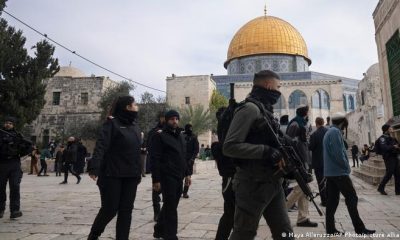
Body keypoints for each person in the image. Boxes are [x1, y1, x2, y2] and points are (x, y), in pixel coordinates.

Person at [223, 70, 293, 240]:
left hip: (272, 182)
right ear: (268, 85)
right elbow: (230, 146)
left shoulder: (264, 111)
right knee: (244, 233)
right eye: (277, 87)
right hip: (251, 184)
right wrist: (266, 151)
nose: (278, 91)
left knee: (284, 231)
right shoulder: (249, 109)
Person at [87, 96, 142, 240]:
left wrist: (139, 172)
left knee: (126, 210)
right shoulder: (112, 123)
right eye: (134, 104)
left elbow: (136, 150)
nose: (137, 106)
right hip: (112, 173)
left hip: (131, 175)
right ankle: (94, 234)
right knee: (110, 209)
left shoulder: (135, 126)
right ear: (127, 107)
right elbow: (101, 145)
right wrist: (94, 166)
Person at [323, 113, 375, 235]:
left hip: (331, 173)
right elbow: (338, 154)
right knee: (352, 198)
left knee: (332, 202)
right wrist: (346, 167)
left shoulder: (328, 132)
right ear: (342, 123)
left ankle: (330, 229)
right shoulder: (335, 132)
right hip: (339, 172)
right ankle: (359, 228)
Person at [152, 110, 191, 240]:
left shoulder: (180, 136)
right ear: (166, 120)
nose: (175, 121)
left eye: (176, 119)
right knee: (171, 208)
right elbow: (155, 158)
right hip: (167, 175)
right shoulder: (160, 136)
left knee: (172, 204)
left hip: (179, 175)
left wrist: (187, 174)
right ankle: (171, 235)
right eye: (172, 119)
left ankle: (159, 229)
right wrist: (156, 179)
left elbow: (183, 156)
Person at [285, 105, 318, 228]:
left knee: (304, 189)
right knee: (301, 187)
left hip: (304, 160)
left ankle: (303, 218)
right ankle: (282, 210)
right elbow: (289, 142)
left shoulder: (302, 123)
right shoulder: (295, 124)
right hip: (298, 160)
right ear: (305, 113)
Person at [0, 116, 31, 219]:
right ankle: (0, 209)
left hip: (14, 163)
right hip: (2, 163)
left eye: (10, 123)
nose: (8, 124)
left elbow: (27, 148)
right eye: (6, 122)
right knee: (0, 187)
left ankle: (15, 210)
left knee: (15, 186)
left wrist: (20, 149)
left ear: (13, 125)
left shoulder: (18, 136)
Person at [212, 108, 236, 240]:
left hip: (234, 179)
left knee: (234, 214)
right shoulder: (220, 145)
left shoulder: (221, 143)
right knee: (230, 213)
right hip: (229, 179)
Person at [147, 111, 165, 221]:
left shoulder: (173, 132)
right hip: (158, 166)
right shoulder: (154, 132)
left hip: (170, 167)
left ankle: (163, 213)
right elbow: (151, 148)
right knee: (156, 191)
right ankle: (157, 213)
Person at [309, 117, 328, 207]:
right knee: (329, 181)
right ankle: (331, 199)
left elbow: (310, 147)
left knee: (320, 182)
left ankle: (324, 201)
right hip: (329, 162)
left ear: (316, 123)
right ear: (323, 122)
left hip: (319, 162)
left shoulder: (314, 135)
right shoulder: (329, 132)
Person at [377, 124, 400, 195]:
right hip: (389, 158)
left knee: (398, 174)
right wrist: (393, 147)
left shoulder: (393, 138)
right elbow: (384, 148)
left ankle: (398, 191)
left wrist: (398, 147)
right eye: (390, 128)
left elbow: (397, 146)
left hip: (395, 157)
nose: (392, 129)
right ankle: (381, 187)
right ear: (386, 129)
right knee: (389, 173)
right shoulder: (382, 138)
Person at [182, 124, 199, 198]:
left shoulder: (194, 137)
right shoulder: (181, 136)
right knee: (180, 177)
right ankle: (179, 191)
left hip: (189, 160)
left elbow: (196, 149)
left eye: (191, 128)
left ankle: (185, 192)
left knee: (188, 177)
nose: (190, 129)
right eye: (189, 128)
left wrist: (192, 159)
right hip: (181, 159)